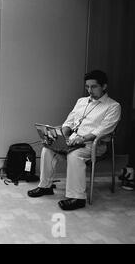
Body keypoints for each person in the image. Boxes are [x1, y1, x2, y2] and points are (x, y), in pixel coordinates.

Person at [28, 70, 121, 210]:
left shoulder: (113, 106)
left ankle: (77, 198)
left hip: (94, 144)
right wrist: (62, 135)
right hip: (71, 141)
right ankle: (45, 186)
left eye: (94, 87)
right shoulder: (81, 101)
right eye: (87, 87)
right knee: (48, 148)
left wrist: (81, 139)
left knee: (74, 155)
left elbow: (102, 130)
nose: (89, 90)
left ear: (104, 86)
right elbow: (69, 123)